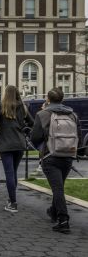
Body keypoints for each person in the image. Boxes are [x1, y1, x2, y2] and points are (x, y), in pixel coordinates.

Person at [31, 88, 82, 233]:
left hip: (50, 156)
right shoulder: (73, 115)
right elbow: (78, 135)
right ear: (62, 99)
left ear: (47, 99)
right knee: (58, 186)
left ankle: (63, 220)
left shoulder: (42, 114)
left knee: (57, 188)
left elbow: (35, 137)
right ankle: (53, 211)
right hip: (68, 156)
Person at [0, 85, 33, 213]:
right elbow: (32, 123)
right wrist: (23, 128)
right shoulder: (23, 106)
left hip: (5, 143)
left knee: (9, 173)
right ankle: (11, 199)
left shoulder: (1, 105)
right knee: (13, 172)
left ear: (5, 94)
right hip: (19, 143)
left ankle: (13, 203)